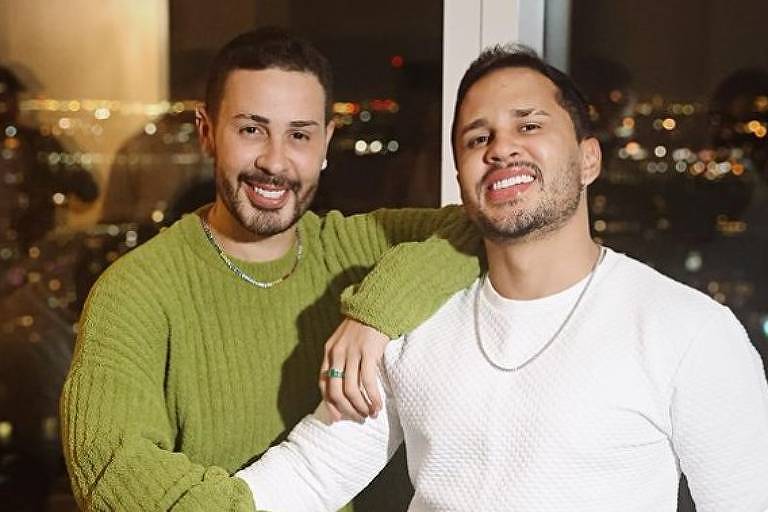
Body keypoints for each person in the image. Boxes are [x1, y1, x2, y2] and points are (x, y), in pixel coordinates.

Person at [236, 45, 768, 511]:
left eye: (529, 125)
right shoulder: (415, 319)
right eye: (476, 138)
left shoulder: (689, 331)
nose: (500, 147)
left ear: (588, 160)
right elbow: (311, 473)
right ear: (462, 178)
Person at [59, 27, 481, 511]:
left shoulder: (356, 248)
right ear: (206, 133)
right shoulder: (135, 290)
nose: (275, 161)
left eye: (298, 135)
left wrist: (376, 313)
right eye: (251, 129)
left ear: (325, 145)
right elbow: (114, 471)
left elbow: (479, 227)